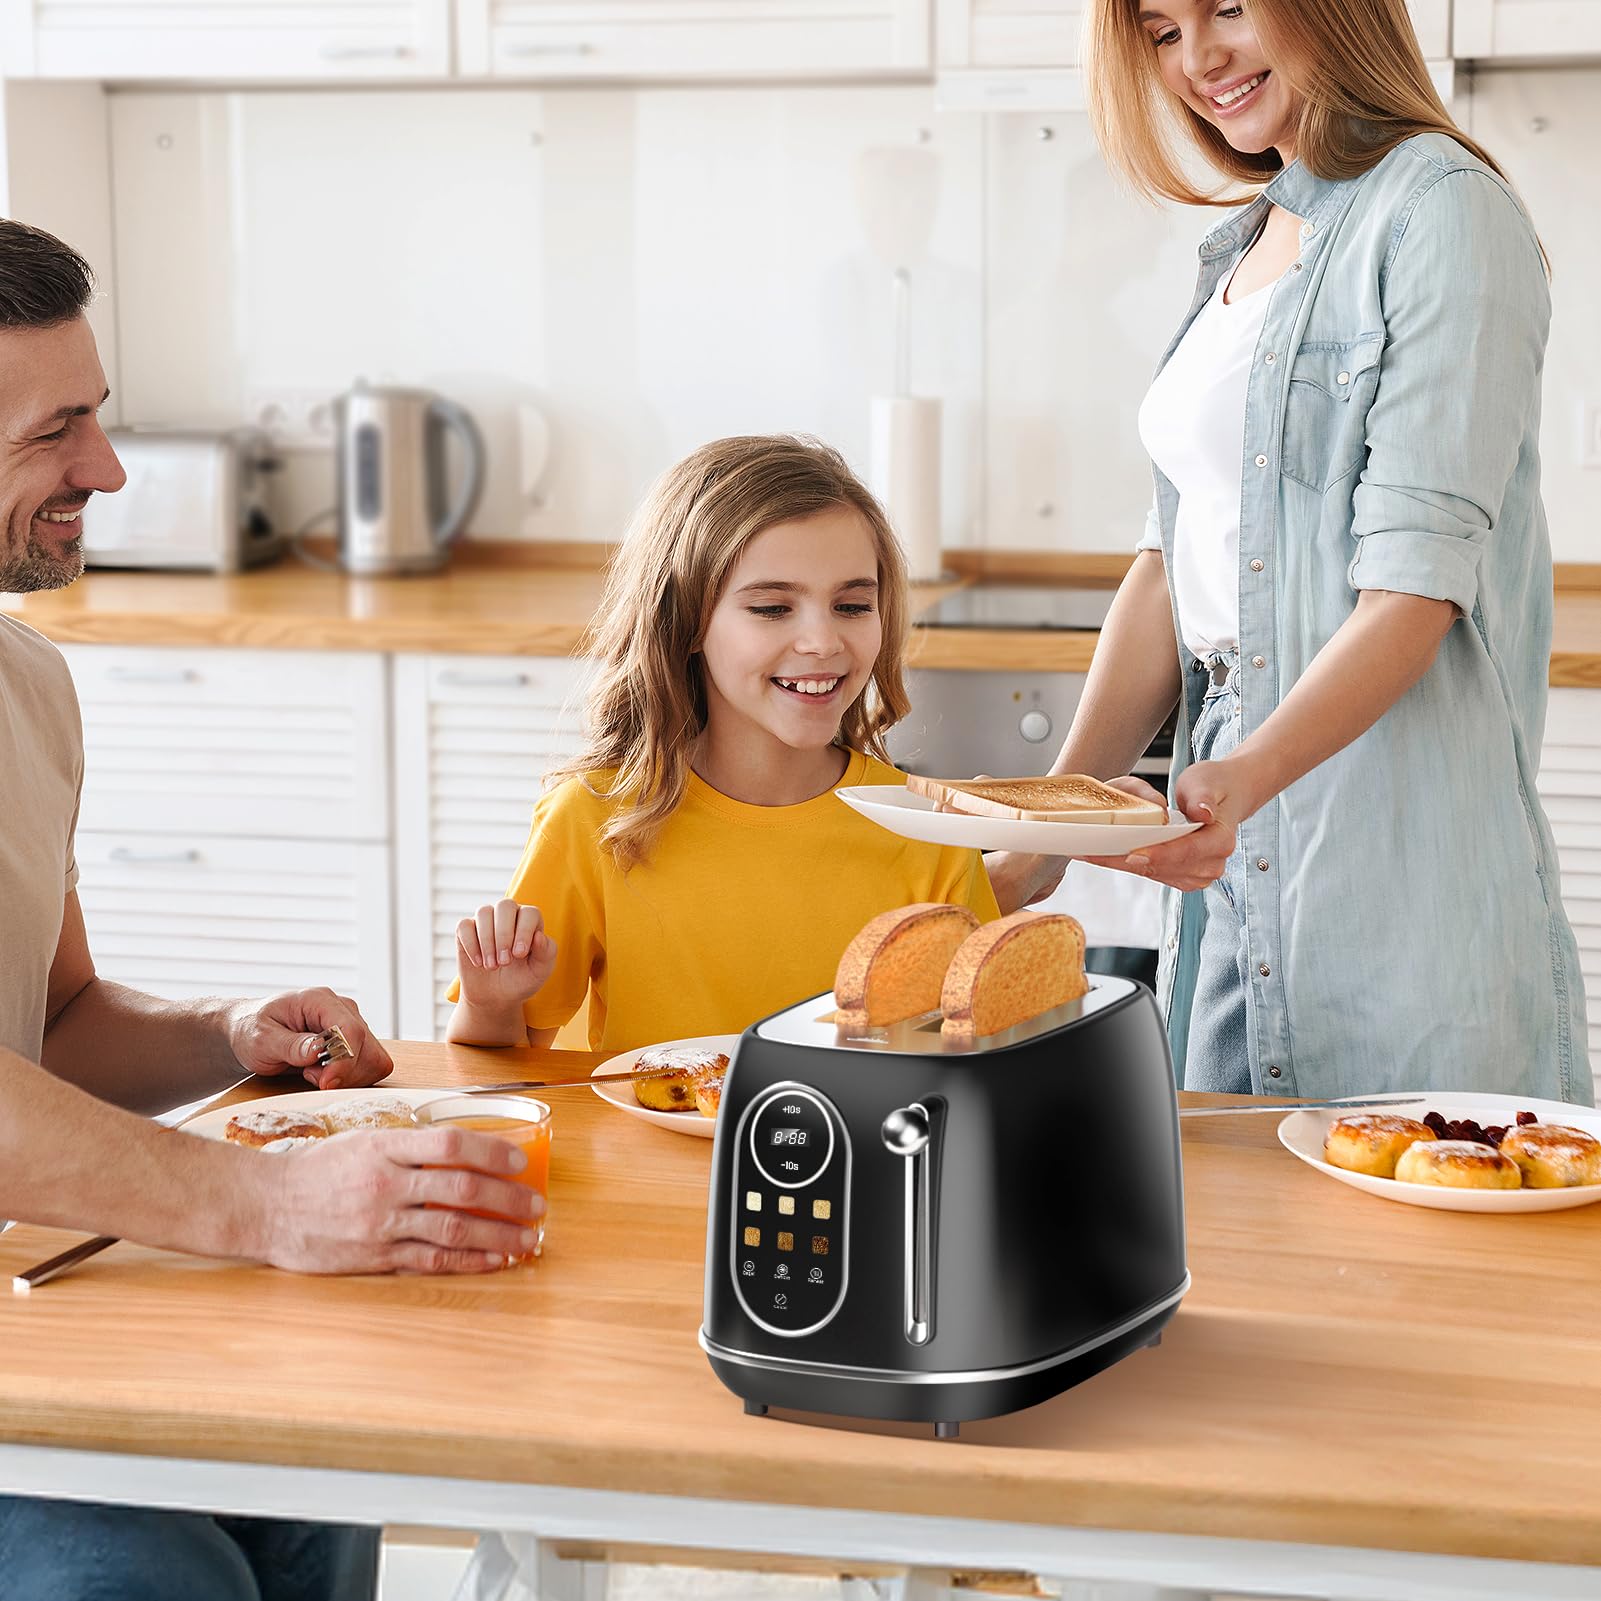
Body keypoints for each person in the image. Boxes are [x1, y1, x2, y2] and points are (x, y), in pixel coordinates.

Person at [0, 219, 542, 1601]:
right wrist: (273, 1204)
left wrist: (225, 1034)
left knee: (327, 1486)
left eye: (98, 419)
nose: (105, 471)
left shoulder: (28, 686)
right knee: (155, 1574)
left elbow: (49, 1029)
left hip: (27, 1328)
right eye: (55, 434)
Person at [985, 0, 1589, 1103]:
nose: (1197, 60)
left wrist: (1244, 774)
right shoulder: (1252, 238)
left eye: (1225, 8)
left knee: (1413, 1219)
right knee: (1225, 1224)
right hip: (1234, 837)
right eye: (1161, 33)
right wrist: (1049, 821)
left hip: (1386, 840)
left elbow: (1415, 581)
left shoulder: (1444, 211)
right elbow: (1169, 561)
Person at [448, 434, 998, 1050]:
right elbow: (498, 1079)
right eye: (770, 608)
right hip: (642, 1148)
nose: (822, 640)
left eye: (851, 604)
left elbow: (975, 1052)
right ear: (684, 622)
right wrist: (490, 1000)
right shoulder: (597, 821)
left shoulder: (923, 827)